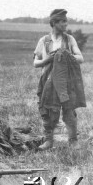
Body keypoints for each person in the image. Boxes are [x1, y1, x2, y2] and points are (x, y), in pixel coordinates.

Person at [33, 9, 85, 150]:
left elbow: (81, 58)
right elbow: (35, 63)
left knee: (69, 110)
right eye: (62, 21)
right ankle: (49, 141)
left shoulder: (69, 39)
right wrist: (48, 60)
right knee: (49, 111)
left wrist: (67, 55)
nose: (65, 24)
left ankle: (73, 140)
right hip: (48, 81)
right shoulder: (44, 41)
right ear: (54, 23)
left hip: (66, 81)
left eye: (66, 21)